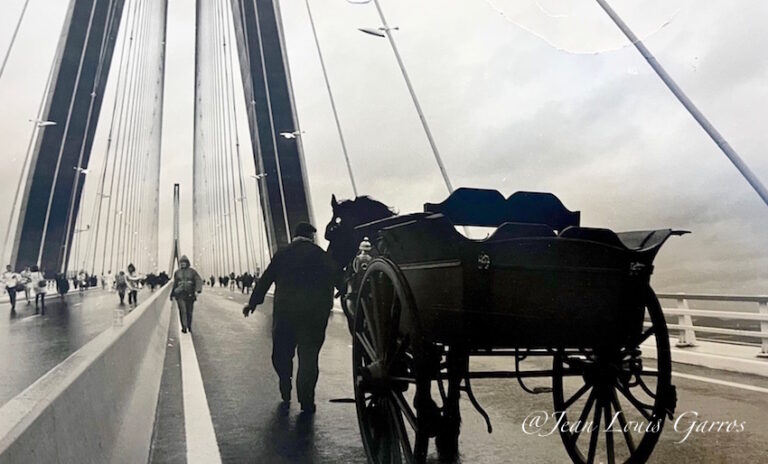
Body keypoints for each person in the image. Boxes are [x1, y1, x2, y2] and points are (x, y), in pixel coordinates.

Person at [242, 222, 339, 413]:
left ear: (295, 235)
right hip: (313, 315)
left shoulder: (282, 254)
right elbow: (337, 276)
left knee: (282, 353)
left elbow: (265, 280)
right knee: (309, 358)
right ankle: (306, 401)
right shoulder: (320, 254)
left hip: (286, 314)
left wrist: (253, 303)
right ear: (311, 237)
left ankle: (285, 382)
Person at [171, 255, 203, 333]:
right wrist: (172, 294)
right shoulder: (177, 272)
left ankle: (189, 325)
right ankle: (184, 327)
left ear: (187, 263)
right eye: (181, 262)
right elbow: (175, 284)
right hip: (180, 294)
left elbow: (198, 280)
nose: (182, 264)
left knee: (189, 311)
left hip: (190, 294)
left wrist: (197, 290)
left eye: (184, 262)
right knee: (183, 310)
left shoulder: (192, 272)